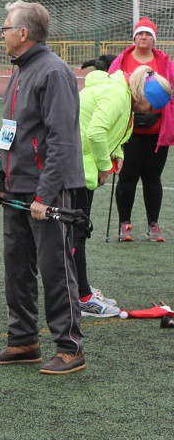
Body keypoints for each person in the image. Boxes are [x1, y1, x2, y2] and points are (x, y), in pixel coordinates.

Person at [0, 1, 85, 375]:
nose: (2, 35)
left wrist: (45, 195)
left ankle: (70, 348)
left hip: (47, 191)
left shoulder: (54, 72)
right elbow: (8, 134)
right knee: (17, 269)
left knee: (55, 268)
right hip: (16, 189)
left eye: (5, 28)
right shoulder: (20, 71)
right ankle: (23, 341)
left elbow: (62, 140)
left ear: (23, 33)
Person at [74, 65, 172, 318]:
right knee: (75, 233)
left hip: (79, 164)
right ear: (144, 97)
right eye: (152, 107)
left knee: (76, 231)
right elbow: (96, 132)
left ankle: (78, 289)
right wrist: (103, 166)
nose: (150, 113)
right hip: (74, 167)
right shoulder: (118, 95)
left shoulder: (123, 93)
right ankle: (81, 297)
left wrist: (116, 153)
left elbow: (112, 131)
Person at [108, 17, 174, 242]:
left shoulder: (165, 62)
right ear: (134, 37)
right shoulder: (122, 61)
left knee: (153, 178)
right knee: (127, 177)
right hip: (129, 131)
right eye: (140, 34)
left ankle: (153, 225)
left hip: (157, 131)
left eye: (148, 34)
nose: (144, 37)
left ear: (154, 39)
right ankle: (124, 225)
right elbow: (111, 89)